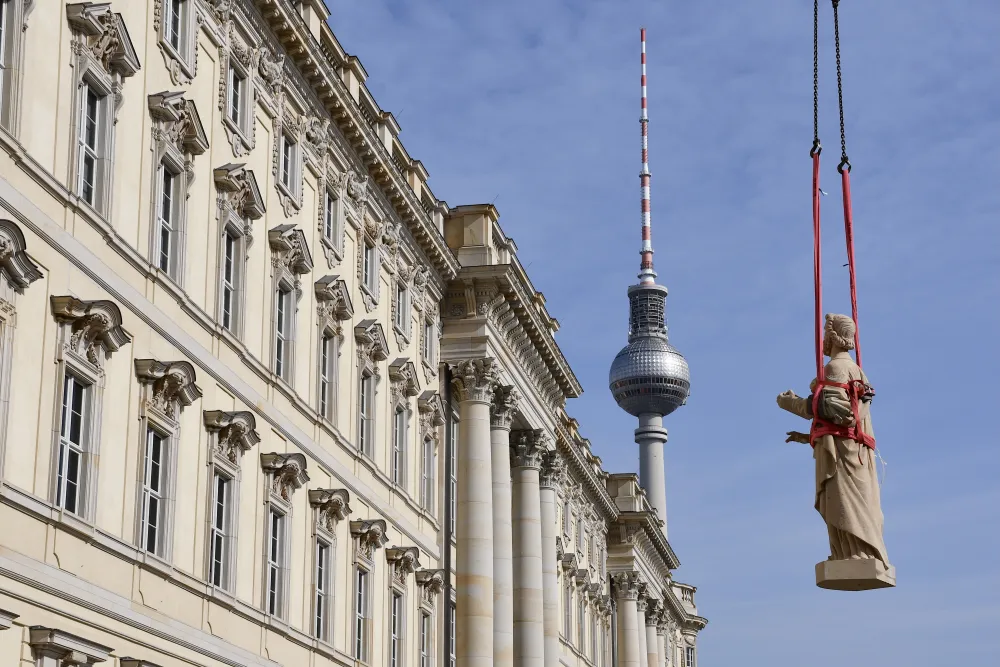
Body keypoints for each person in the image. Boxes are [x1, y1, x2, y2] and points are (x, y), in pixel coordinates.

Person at [776, 313, 889, 568]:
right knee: (854, 505)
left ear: (834, 337)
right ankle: (852, 553)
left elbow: (835, 411)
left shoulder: (836, 368)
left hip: (843, 457)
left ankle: (853, 554)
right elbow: (842, 419)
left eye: (826, 334)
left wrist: (789, 403)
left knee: (845, 504)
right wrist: (810, 437)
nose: (823, 340)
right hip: (851, 451)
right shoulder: (857, 370)